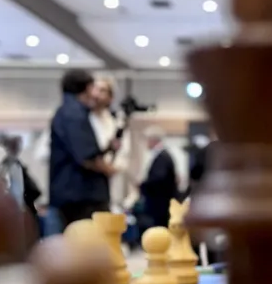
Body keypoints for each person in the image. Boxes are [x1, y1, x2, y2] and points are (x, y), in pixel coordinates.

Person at [49, 69, 114, 229]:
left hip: (69, 192)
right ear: (87, 88)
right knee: (88, 239)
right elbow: (86, 156)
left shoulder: (65, 112)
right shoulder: (75, 114)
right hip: (82, 195)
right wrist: (108, 169)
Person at [89, 76, 131, 208]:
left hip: (107, 187)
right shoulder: (79, 120)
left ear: (110, 97)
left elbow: (124, 156)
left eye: (102, 90)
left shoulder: (116, 124)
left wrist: (109, 168)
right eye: (95, 89)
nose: (97, 94)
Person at [137, 126, 179, 233]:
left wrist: (143, 185)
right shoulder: (162, 156)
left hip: (160, 205)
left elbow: (159, 179)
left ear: (153, 140)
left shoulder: (162, 157)